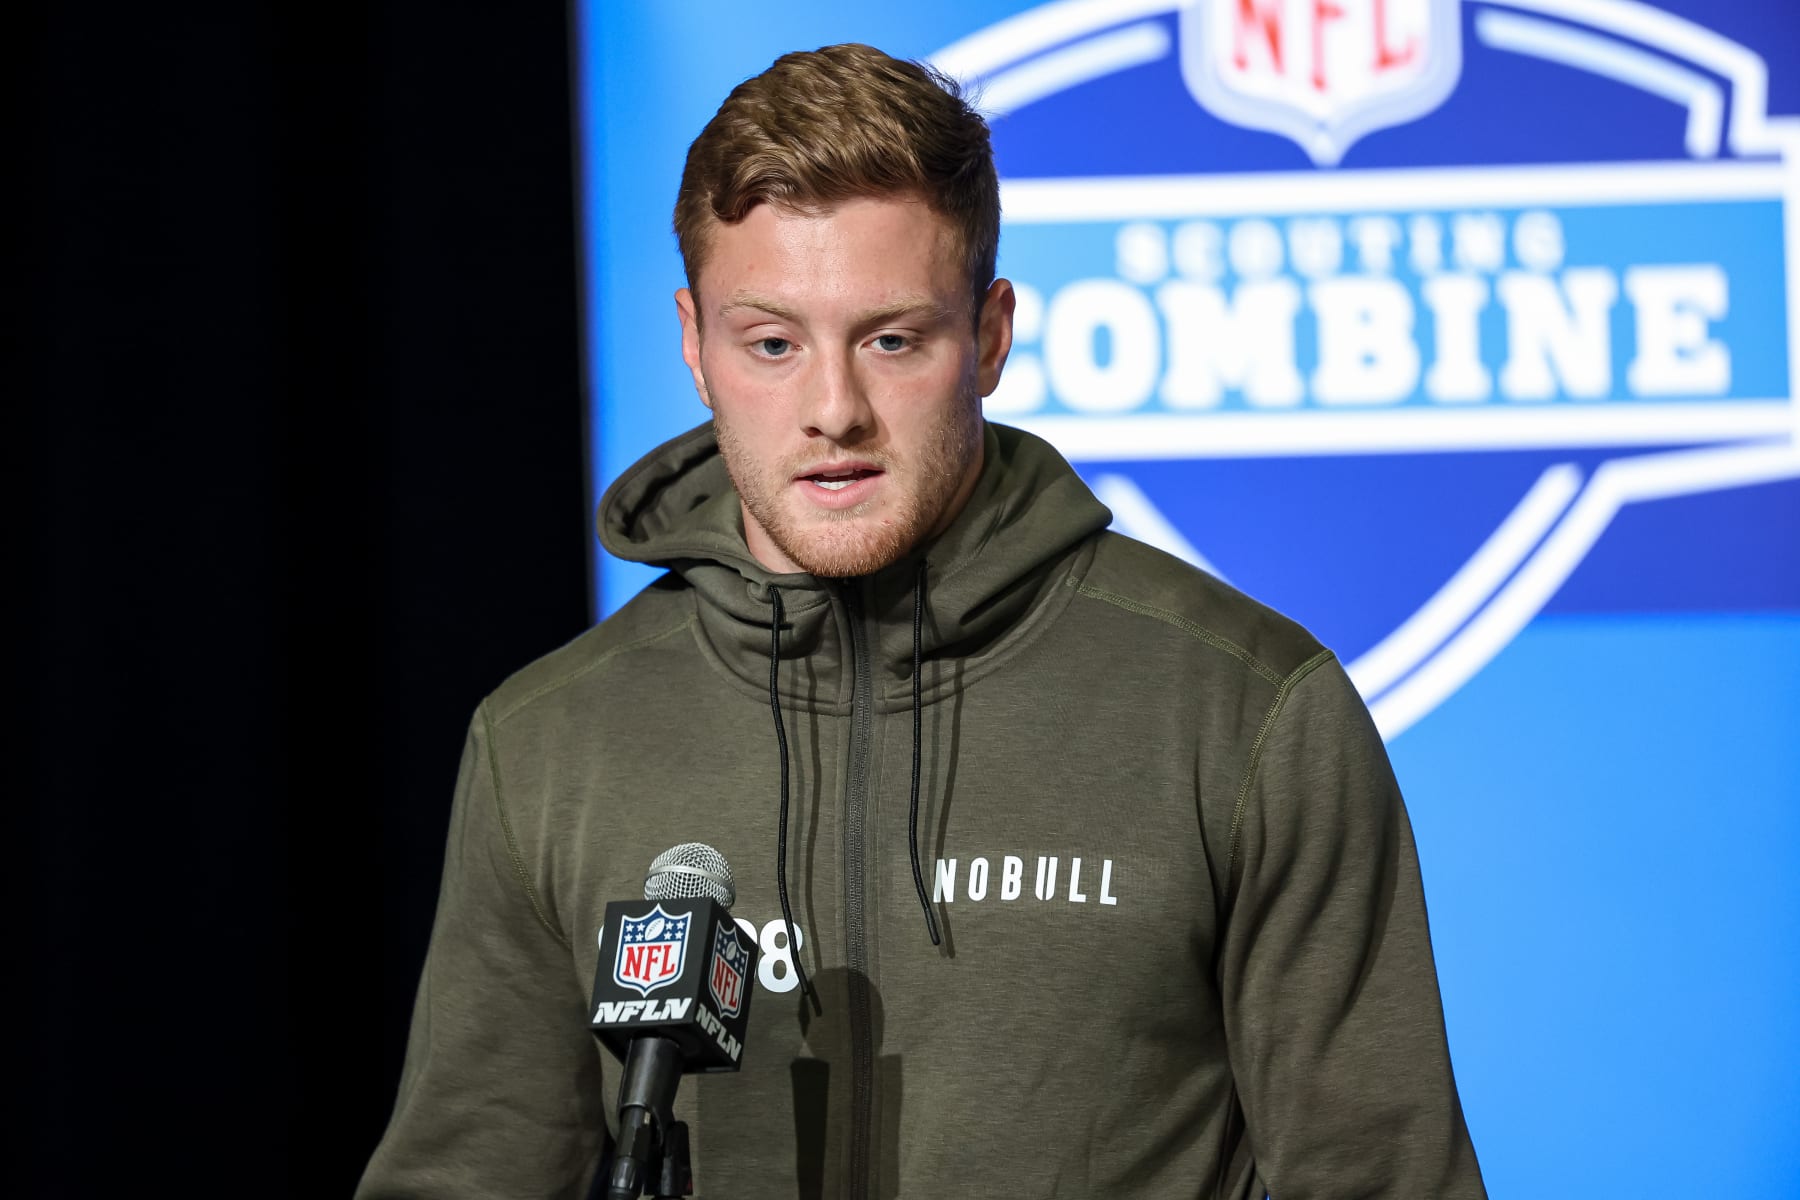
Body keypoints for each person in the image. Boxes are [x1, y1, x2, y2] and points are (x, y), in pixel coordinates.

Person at [359, 42, 1486, 1199]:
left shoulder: (1242, 708)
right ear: (695, 345)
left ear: (989, 336)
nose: (833, 409)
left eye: (892, 339)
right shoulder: (552, 741)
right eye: (772, 343)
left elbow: (1384, 1175)